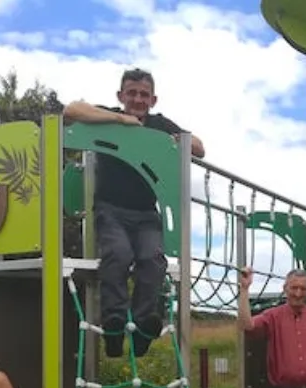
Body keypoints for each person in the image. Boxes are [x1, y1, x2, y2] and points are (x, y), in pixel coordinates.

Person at [63, 69, 205, 359]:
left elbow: (199, 149)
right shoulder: (108, 117)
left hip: (145, 213)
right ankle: (113, 323)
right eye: (132, 93)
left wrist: (179, 141)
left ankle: (143, 325)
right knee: (118, 253)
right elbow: (71, 110)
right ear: (121, 96)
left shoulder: (158, 125)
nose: (138, 99)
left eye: (143, 94)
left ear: (153, 99)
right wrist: (120, 119)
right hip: (111, 208)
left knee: (152, 260)